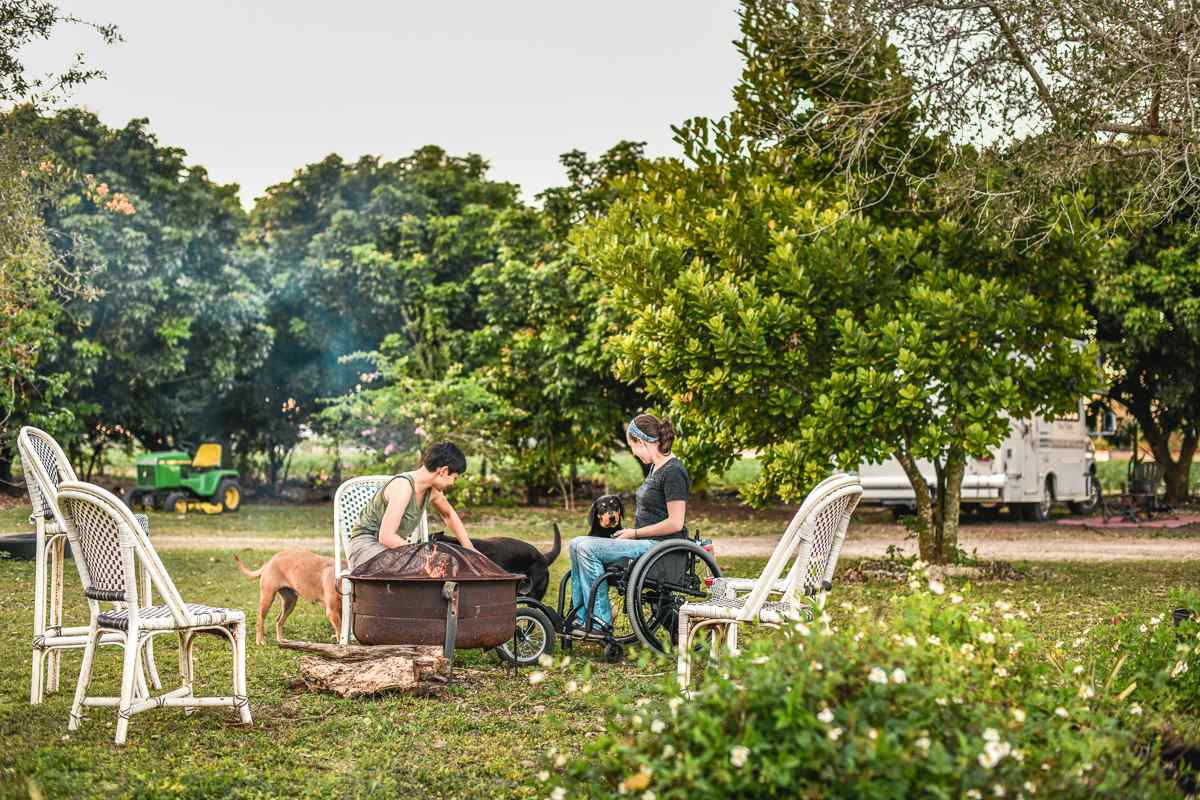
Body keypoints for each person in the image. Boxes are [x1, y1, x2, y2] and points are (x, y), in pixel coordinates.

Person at [566, 414, 688, 636]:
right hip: (646, 544)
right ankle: (581, 616)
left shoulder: (673, 472)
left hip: (661, 548)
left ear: (642, 442)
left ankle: (600, 622)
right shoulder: (655, 469)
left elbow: (676, 522)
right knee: (575, 544)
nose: (633, 452)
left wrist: (634, 533)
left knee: (586, 548)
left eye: (633, 446)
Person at [347, 442, 476, 571]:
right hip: (367, 548)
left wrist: (469, 549)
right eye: (454, 477)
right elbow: (386, 536)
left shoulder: (432, 491)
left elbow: (448, 515)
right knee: (424, 566)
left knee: (443, 564)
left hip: (392, 551)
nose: (453, 483)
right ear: (443, 471)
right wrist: (425, 556)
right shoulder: (403, 487)